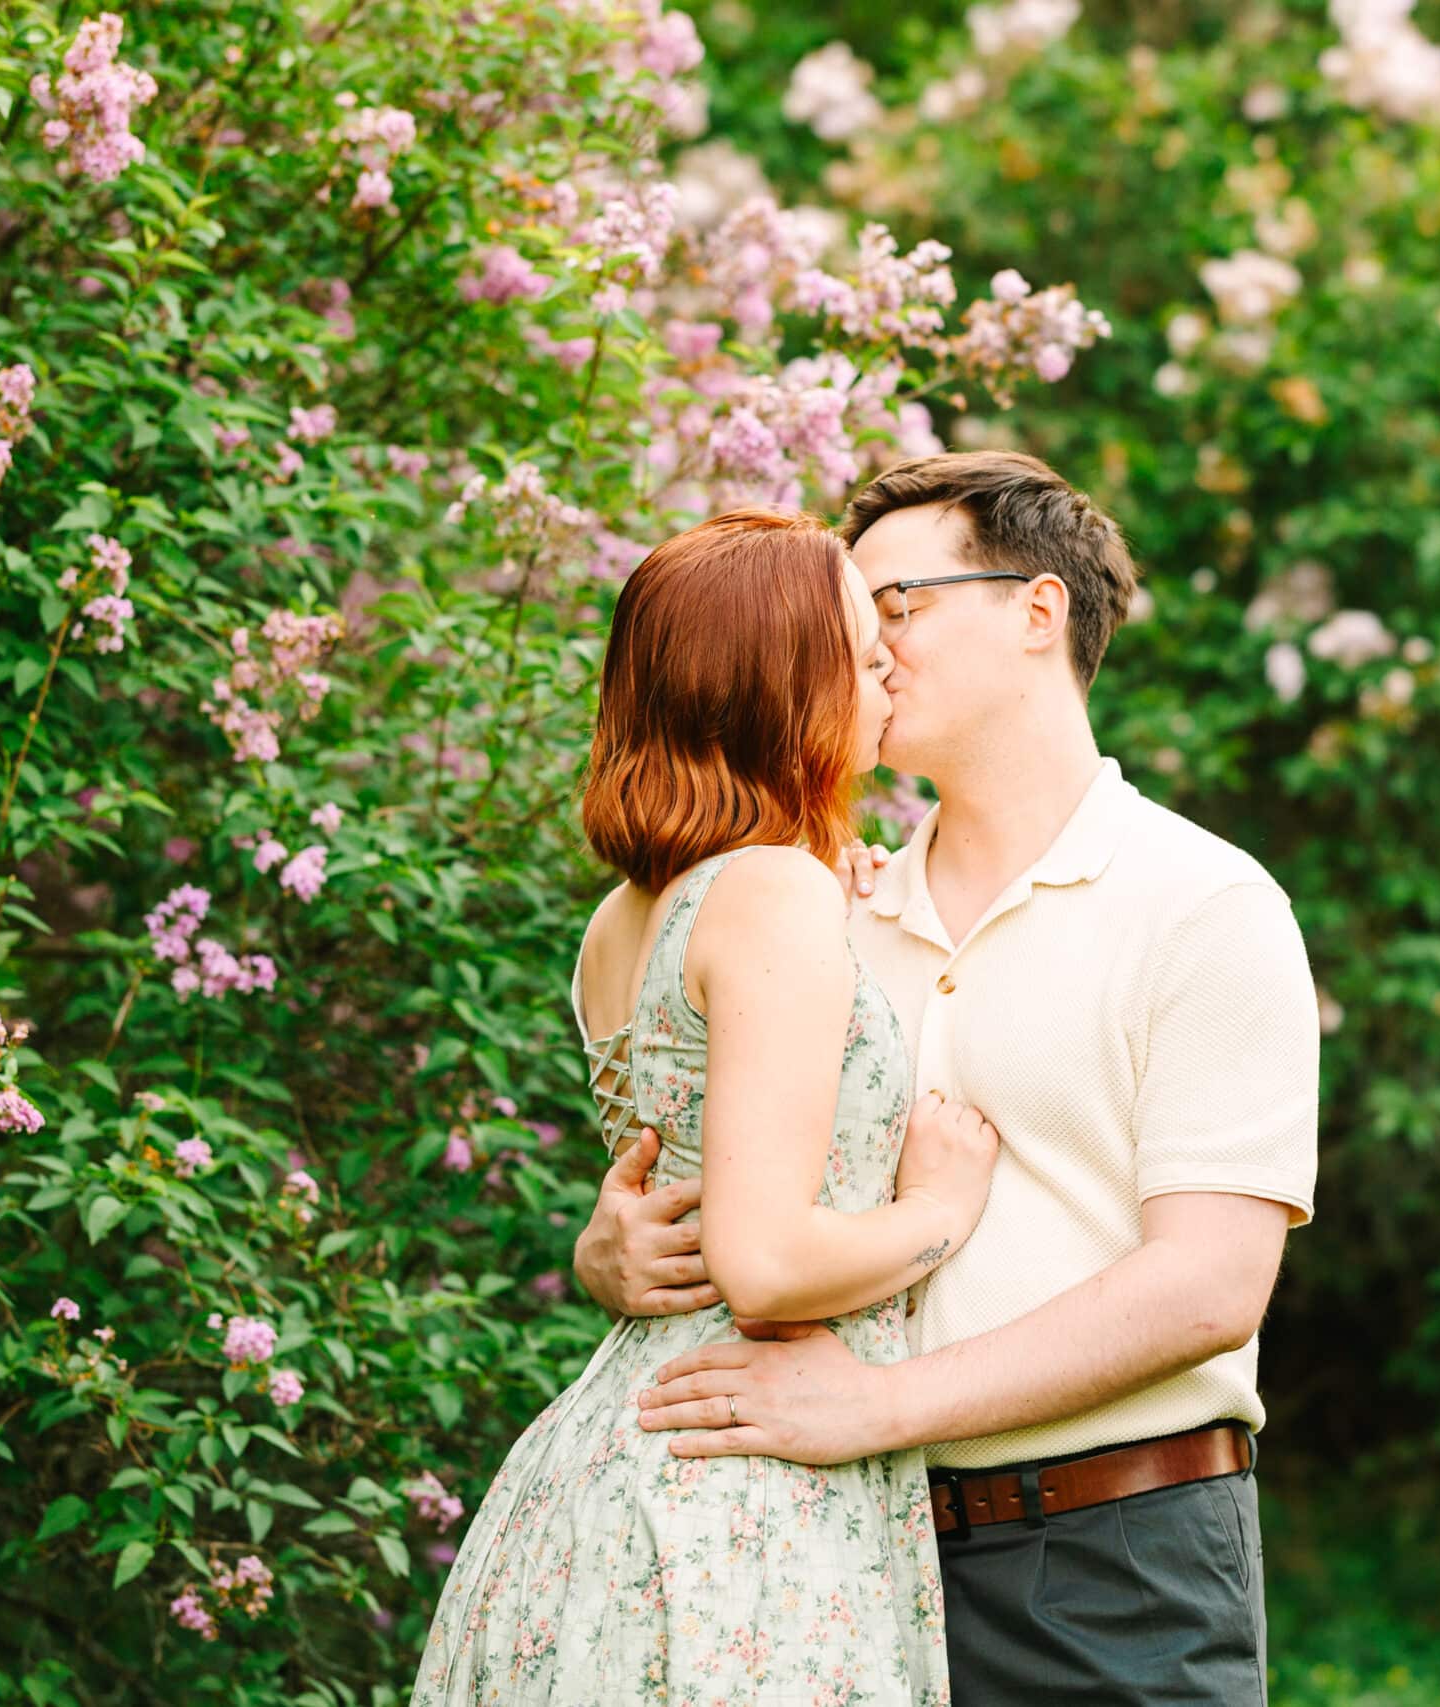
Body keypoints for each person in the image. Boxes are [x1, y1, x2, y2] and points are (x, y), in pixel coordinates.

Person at [576, 451, 1322, 1705]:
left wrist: (879, 1406)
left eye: (896, 604)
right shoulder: (820, 911)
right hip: (824, 1555)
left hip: (1112, 1560)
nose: (867, 645)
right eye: (854, 618)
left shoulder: (1202, 904)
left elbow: (1209, 1287)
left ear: (1037, 610)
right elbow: (738, 1194)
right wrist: (613, 1250)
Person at [412, 508, 1002, 1706]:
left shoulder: (626, 917)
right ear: (785, 689)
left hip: (614, 1456)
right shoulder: (773, 894)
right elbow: (764, 1264)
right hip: (738, 1483)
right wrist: (937, 1211)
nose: (888, 670)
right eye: (861, 649)